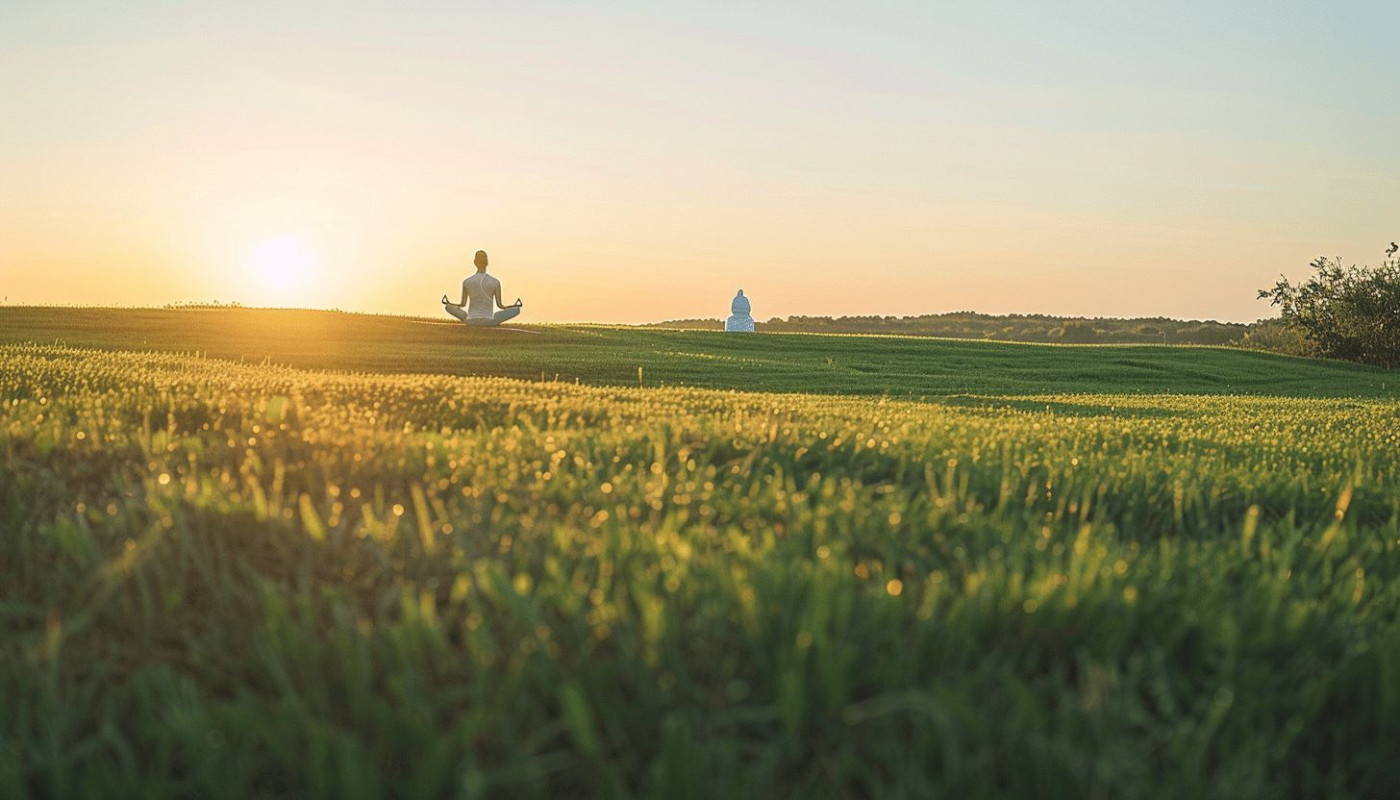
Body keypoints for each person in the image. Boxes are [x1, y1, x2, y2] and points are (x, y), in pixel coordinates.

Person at [442, 250, 523, 327]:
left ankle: (449, 306)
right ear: (487, 262)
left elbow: (463, 304)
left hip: (470, 321)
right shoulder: (495, 282)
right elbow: (500, 306)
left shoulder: (466, 282)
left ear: (475, 262)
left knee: (449, 308)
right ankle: (515, 309)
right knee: (516, 310)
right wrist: (514, 306)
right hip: (488, 321)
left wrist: (450, 304)